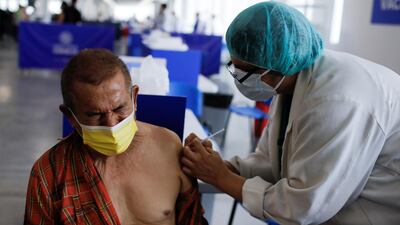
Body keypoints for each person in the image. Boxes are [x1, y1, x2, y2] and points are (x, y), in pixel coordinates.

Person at [181, 2, 400, 225]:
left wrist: (221, 177)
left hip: (381, 209)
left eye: (245, 73)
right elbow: (272, 160)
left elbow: (304, 206)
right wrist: (221, 166)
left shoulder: (336, 102)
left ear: (277, 66)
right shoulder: (290, 82)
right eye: (234, 68)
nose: (238, 80)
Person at [24, 49, 208, 225]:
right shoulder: (50, 173)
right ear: (70, 116)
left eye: (120, 108)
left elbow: (191, 219)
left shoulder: (168, 146)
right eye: (95, 115)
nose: (111, 124)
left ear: (134, 98)